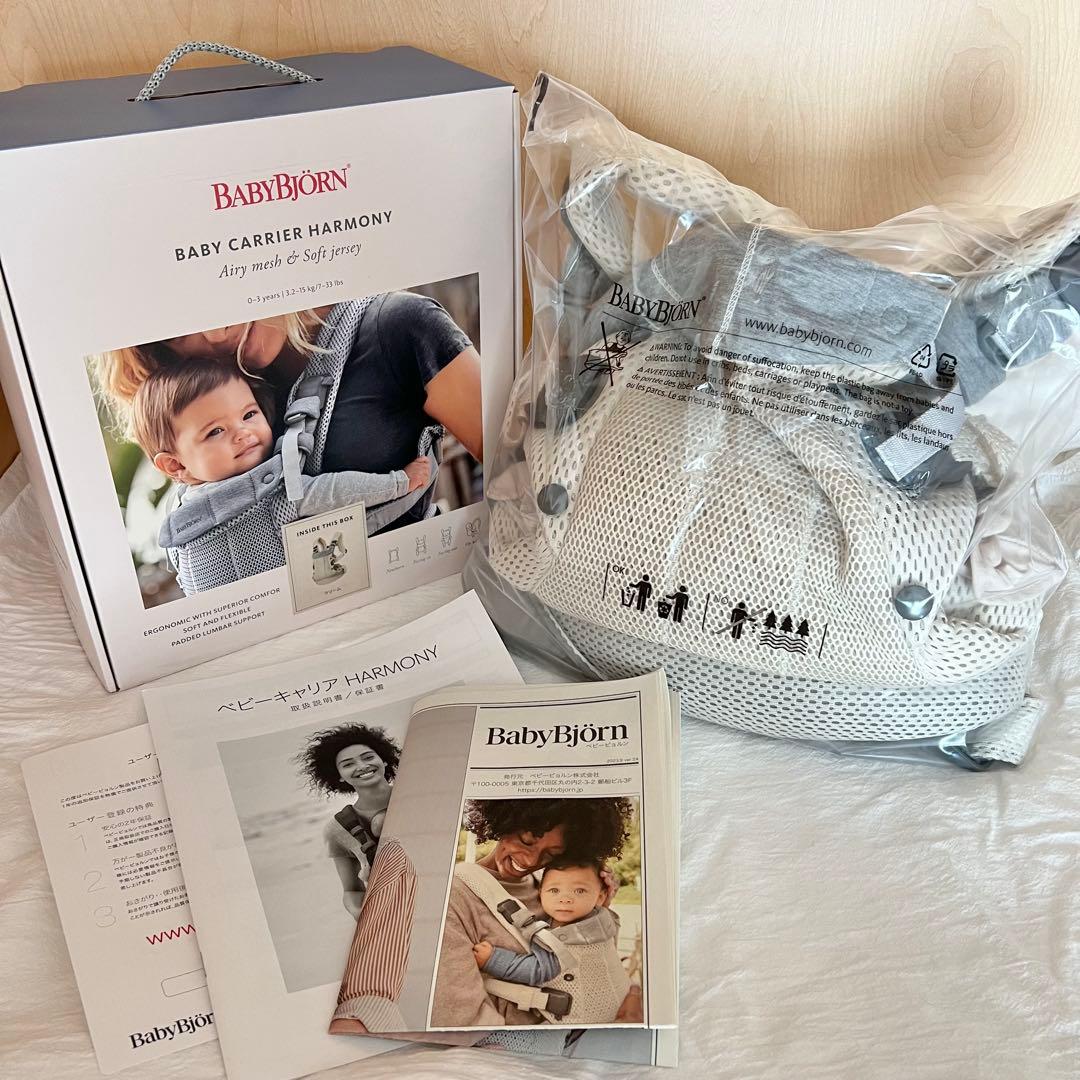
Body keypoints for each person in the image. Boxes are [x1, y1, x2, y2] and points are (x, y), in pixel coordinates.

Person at [91, 290, 483, 535]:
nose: (215, 332)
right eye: (180, 332)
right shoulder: (198, 415)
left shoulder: (398, 326)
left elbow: (511, 471)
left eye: (216, 291)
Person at [130, 364, 432, 594]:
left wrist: (397, 483)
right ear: (175, 465)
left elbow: (334, 491)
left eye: (249, 415)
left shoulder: (274, 488)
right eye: (215, 431)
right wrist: (398, 482)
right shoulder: (178, 524)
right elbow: (335, 491)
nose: (243, 433)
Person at [429, 797, 642, 1028]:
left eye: (551, 853)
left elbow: (589, 964)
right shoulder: (453, 896)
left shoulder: (552, 887)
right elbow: (459, 1017)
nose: (531, 860)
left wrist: (596, 911)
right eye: (526, 841)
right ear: (505, 821)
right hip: (526, 1043)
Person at [471, 856, 633, 1025]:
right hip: (616, 1005)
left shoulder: (569, 938)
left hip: (580, 1020)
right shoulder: (604, 919)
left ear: (600, 897)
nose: (565, 898)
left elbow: (538, 970)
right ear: (540, 893)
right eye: (554, 890)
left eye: (579, 891)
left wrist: (493, 959)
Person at [295, 723, 402, 920]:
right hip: (398, 909)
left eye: (368, 757)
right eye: (348, 764)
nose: (362, 766)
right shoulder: (338, 828)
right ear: (339, 776)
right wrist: (362, 915)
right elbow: (352, 890)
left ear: (384, 760)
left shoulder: (418, 794)